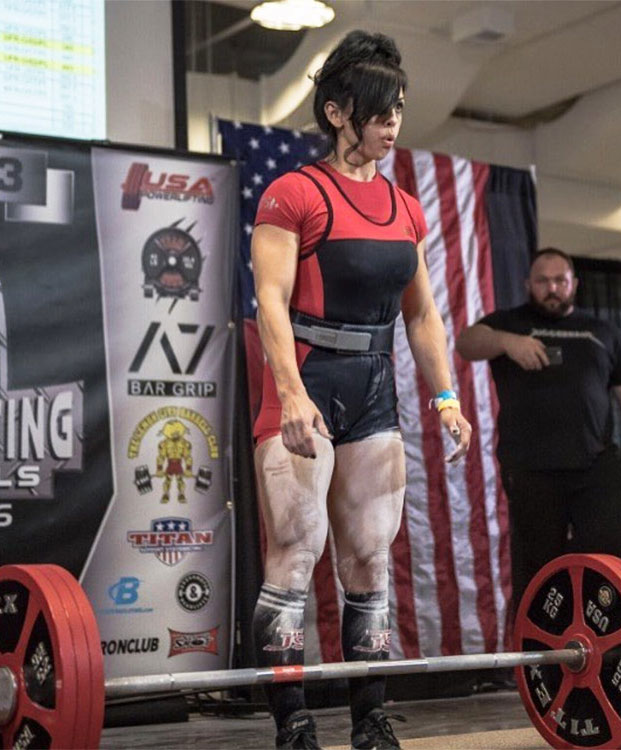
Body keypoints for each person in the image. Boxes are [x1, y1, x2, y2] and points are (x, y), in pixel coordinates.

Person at [250, 30, 472, 750]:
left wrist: (445, 399)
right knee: (293, 551)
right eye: (379, 109)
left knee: (370, 559)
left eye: (399, 108)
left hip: (374, 391)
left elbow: (423, 314)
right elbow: (271, 304)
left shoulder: (406, 209)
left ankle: (370, 720)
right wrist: (290, 394)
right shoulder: (293, 194)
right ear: (338, 112)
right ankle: (294, 725)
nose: (392, 122)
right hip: (306, 383)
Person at [456, 248, 621, 610]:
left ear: (574, 284)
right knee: (540, 571)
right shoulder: (511, 323)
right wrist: (507, 342)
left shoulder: (601, 331)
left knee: (612, 561)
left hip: (595, 467)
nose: (551, 288)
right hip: (532, 471)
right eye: (543, 281)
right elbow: (466, 343)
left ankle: (616, 653)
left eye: (559, 280)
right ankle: (542, 662)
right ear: (528, 285)